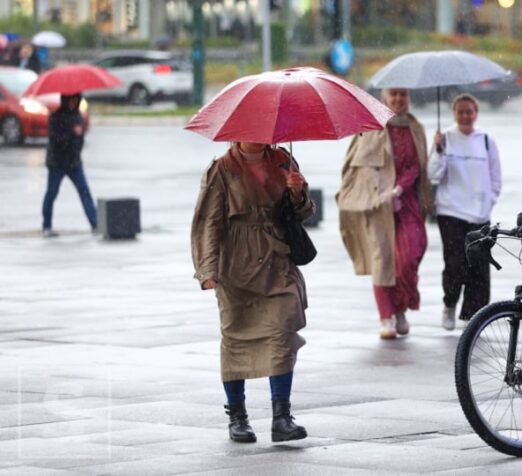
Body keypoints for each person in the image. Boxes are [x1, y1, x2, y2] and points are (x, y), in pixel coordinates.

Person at [191, 142, 314, 444]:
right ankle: (237, 416)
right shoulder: (221, 169)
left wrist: (297, 192)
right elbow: (209, 221)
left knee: (282, 332)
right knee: (236, 337)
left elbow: (302, 212)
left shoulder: (283, 159)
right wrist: (207, 269)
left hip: (277, 261)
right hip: (236, 264)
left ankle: (281, 417)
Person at [337, 88, 432, 340]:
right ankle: (386, 316)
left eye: (403, 94)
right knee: (383, 260)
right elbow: (356, 167)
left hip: (408, 202)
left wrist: (400, 187)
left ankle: (400, 307)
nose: (399, 99)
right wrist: (381, 193)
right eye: (394, 94)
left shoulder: (415, 127)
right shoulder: (369, 126)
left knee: (409, 257)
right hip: (377, 203)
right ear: (385, 97)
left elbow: (418, 165)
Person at [428, 94, 501, 331]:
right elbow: (433, 174)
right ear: (454, 114)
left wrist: (489, 200)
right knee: (455, 263)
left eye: (469, 111)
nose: (465, 116)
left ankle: (473, 315)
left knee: (479, 266)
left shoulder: (486, 140)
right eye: (460, 112)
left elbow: (495, 177)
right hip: (451, 211)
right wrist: (438, 150)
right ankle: (449, 304)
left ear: (476, 113)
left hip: (480, 213)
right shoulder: (445, 138)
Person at [42, 93, 97, 237]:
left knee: (84, 192)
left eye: (76, 99)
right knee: (51, 193)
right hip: (57, 163)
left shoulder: (78, 117)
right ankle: (47, 226)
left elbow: (79, 142)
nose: (73, 102)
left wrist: (76, 137)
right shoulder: (56, 117)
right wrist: (71, 133)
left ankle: (95, 223)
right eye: (70, 99)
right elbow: (55, 140)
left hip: (74, 163)